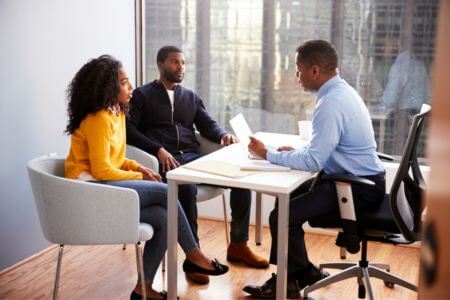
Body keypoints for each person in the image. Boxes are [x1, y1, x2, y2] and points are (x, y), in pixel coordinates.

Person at [64, 55, 228, 299]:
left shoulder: (116, 113)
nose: (130, 87)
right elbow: (100, 170)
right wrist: (138, 176)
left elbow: (116, 158)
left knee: (164, 218)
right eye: (124, 82)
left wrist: (140, 169)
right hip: (91, 190)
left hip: (107, 185)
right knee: (167, 191)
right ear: (108, 87)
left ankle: (143, 287)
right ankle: (193, 254)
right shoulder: (98, 118)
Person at [243, 40, 386, 298]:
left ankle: (285, 284)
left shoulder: (330, 103)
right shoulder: (340, 92)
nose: (296, 76)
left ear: (315, 70)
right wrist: (294, 152)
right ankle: (304, 272)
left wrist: (268, 154)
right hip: (360, 180)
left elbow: (313, 162)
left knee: (283, 216)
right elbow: (323, 147)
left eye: (299, 70)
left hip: (357, 188)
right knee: (286, 206)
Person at [126, 46, 269, 284]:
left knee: (240, 178)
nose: (180, 67)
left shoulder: (190, 96)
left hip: (193, 157)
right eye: (174, 62)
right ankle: (194, 257)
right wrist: (157, 149)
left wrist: (223, 135)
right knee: (187, 187)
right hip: (165, 162)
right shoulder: (142, 95)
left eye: (183, 63)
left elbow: (207, 124)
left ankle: (238, 244)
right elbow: (129, 130)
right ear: (160, 64)